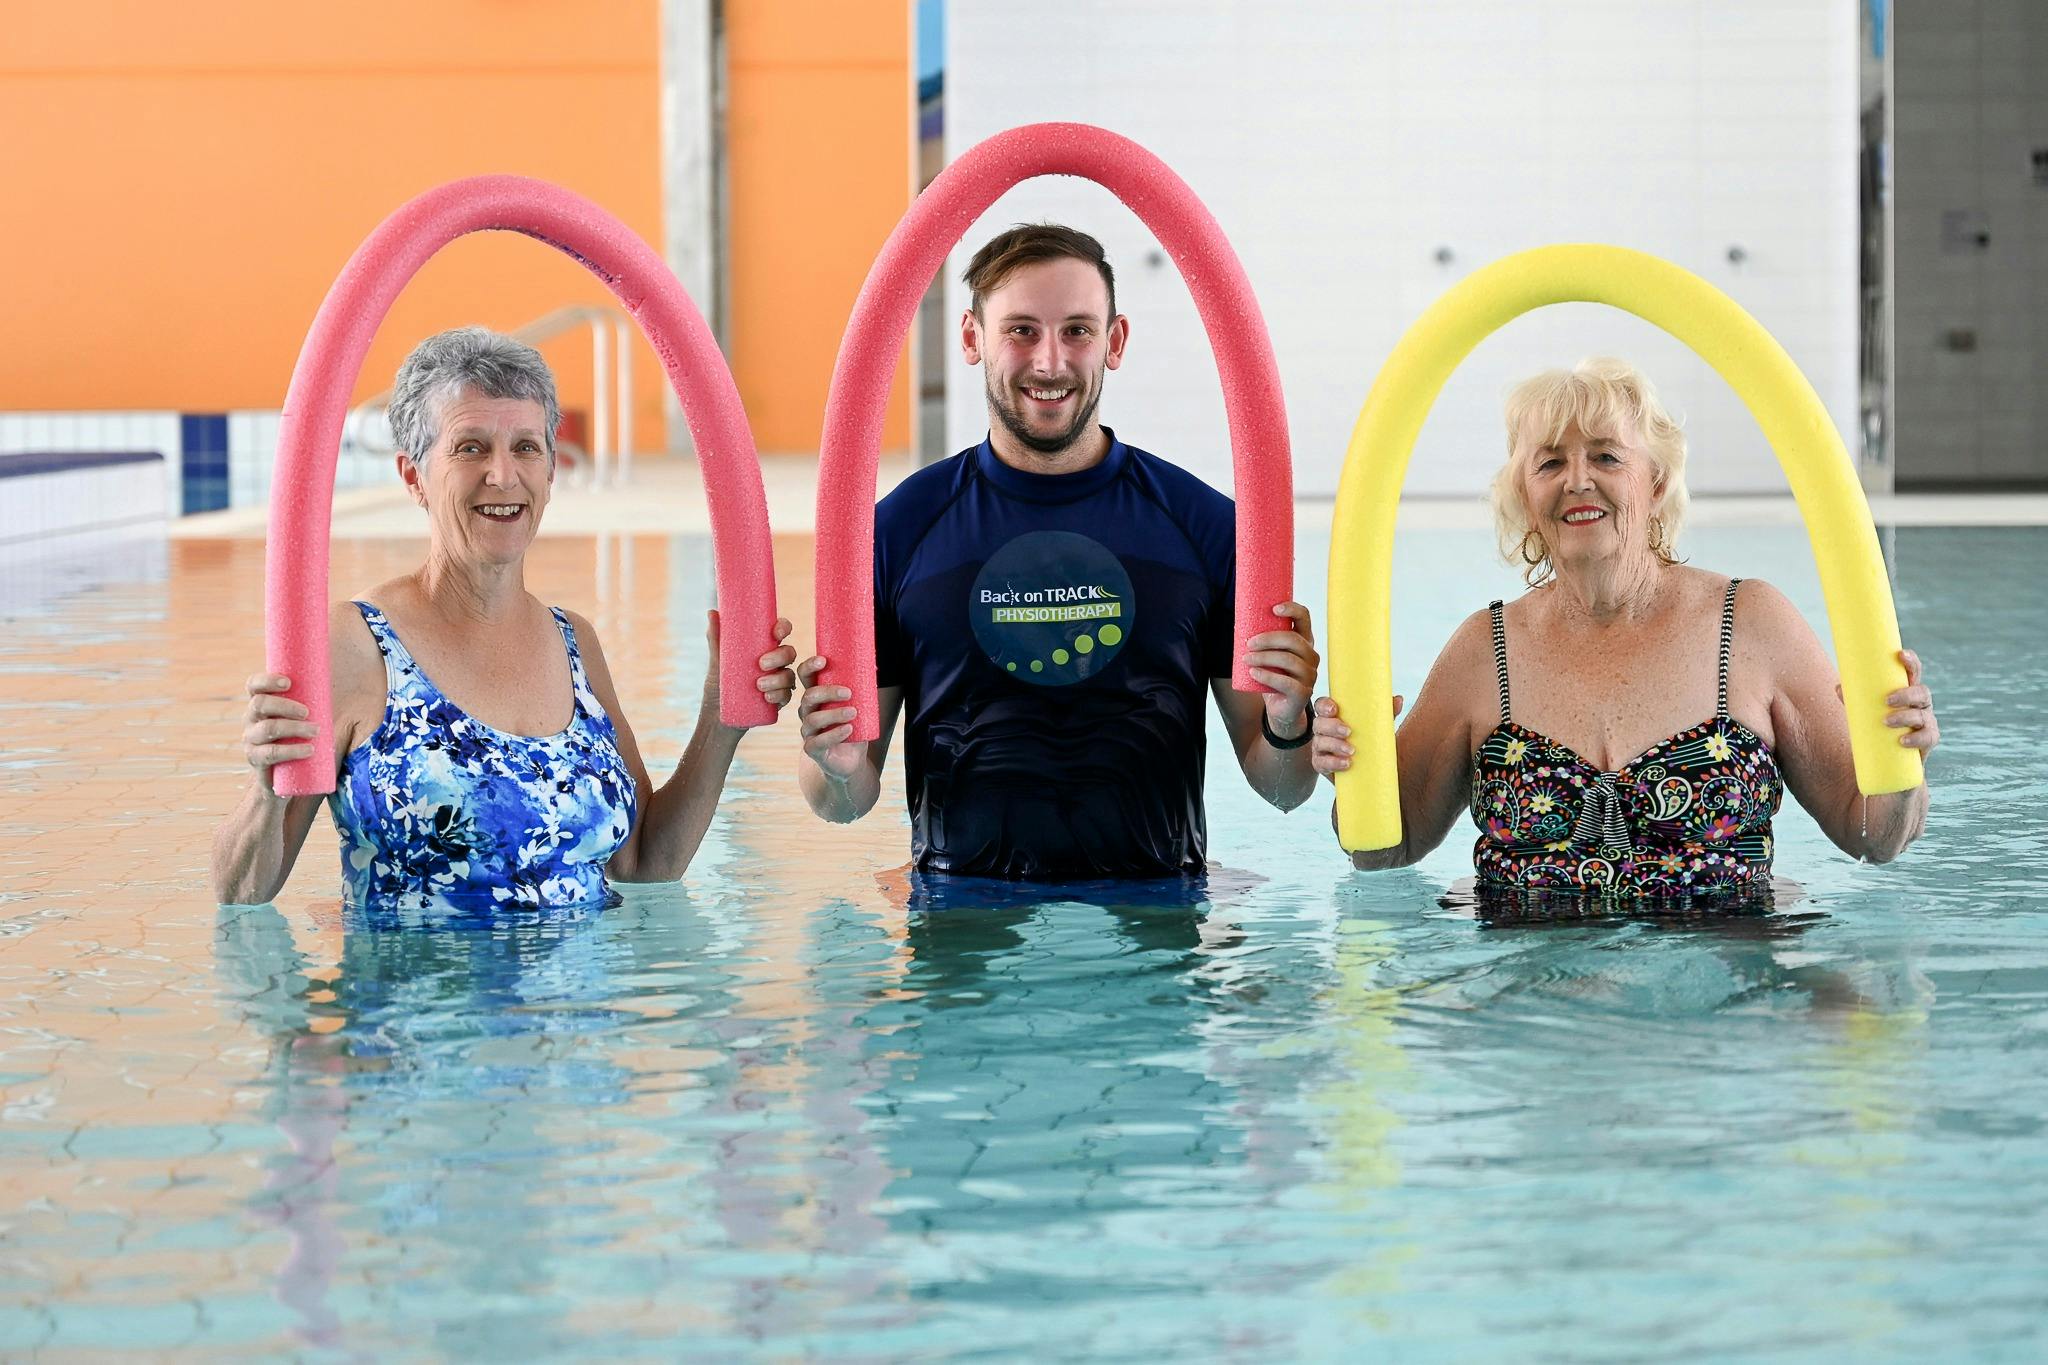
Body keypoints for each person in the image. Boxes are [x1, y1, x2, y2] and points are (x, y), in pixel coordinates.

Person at [794, 224, 1321, 879]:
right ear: (971, 338)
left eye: (1077, 329)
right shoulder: (898, 532)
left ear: (1115, 341)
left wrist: (1288, 719)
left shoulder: (1207, 528)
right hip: (963, 924)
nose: (1049, 362)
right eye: (1020, 330)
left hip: (1154, 917)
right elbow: (841, 803)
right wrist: (837, 769)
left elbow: (1283, 788)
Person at [211, 327, 797, 911]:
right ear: (414, 476)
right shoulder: (355, 644)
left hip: (595, 998)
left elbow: (647, 862)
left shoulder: (574, 642)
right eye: (470, 448)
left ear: (550, 473)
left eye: (525, 447)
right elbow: (241, 893)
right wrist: (267, 792)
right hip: (424, 998)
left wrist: (721, 717)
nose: (502, 475)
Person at [1311, 357, 1938, 897]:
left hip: (1722, 998)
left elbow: (1873, 836)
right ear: (1524, 496)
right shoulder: (1485, 651)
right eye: (1549, 463)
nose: (1578, 480)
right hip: (1528, 1004)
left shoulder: (1750, 626)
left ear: (1657, 481)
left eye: (1607, 456)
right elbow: (1381, 851)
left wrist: (1903, 760)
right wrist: (1352, 771)